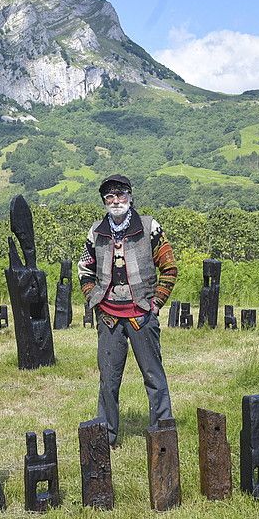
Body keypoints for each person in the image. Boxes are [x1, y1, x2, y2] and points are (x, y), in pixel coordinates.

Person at [78, 174, 178, 447]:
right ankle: (105, 436)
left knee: (154, 377)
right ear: (104, 201)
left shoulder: (149, 226)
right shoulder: (96, 231)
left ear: (130, 196)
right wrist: (94, 300)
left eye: (120, 195)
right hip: (109, 316)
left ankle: (163, 434)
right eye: (109, 197)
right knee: (108, 381)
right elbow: (84, 270)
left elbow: (169, 268)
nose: (115, 201)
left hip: (142, 314)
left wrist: (156, 303)